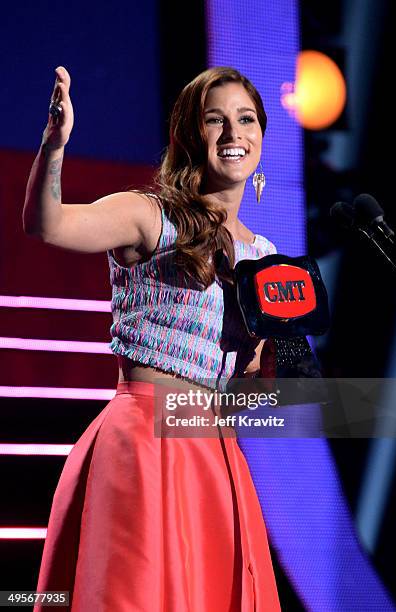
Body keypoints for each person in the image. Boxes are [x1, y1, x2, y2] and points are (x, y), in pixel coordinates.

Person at [23, 65, 281, 611]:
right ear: (190, 135)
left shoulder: (265, 256)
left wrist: (287, 367)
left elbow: (253, 390)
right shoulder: (149, 215)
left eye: (246, 119)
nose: (234, 135)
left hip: (213, 456)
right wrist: (54, 145)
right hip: (144, 444)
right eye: (216, 121)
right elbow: (48, 224)